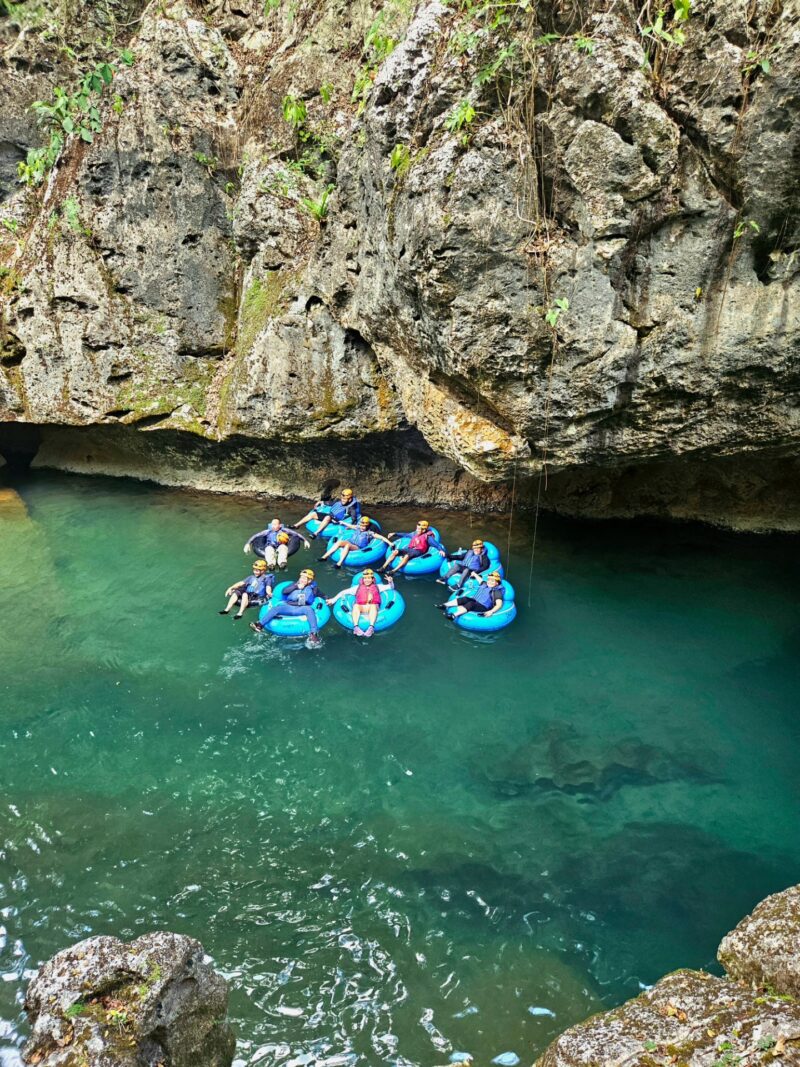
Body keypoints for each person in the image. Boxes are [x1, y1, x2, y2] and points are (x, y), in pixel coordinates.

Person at [250, 568, 325, 646]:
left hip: (302, 608)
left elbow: (320, 595)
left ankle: (313, 634)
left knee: (309, 610)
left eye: (304, 578)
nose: (301, 579)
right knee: (275, 609)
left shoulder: (313, 588)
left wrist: (327, 599)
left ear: (309, 581)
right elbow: (284, 591)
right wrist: (296, 586)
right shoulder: (294, 584)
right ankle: (259, 625)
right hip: (289, 606)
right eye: (301, 577)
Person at [326, 569, 394, 637]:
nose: (367, 580)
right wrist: (333, 600)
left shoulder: (378, 586)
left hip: (373, 607)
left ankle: (371, 627)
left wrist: (390, 582)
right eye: (365, 578)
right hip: (362, 607)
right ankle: (356, 627)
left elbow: (391, 587)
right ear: (362, 579)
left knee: (373, 606)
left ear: (372, 579)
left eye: (369, 578)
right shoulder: (357, 588)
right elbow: (343, 592)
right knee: (356, 606)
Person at [317, 515, 392, 568]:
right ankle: (324, 557)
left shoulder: (370, 533)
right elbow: (350, 526)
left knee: (347, 545)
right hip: (350, 542)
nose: (362, 527)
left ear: (367, 526)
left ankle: (339, 563)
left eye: (364, 526)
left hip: (357, 547)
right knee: (339, 542)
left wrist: (390, 543)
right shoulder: (357, 528)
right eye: (361, 525)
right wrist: (343, 522)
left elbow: (381, 537)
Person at [378, 519, 445, 574]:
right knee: (395, 551)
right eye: (417, 528)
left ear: (424, 530)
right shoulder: (414, 534)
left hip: (419, 551)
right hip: (410, 549)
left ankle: (393, 571)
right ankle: (383, 567)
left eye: (419, 529)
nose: (417, 530)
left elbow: (436, 544)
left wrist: (441, 550)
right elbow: (405, 535)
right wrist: (395, 534)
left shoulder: (428, 537)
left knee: (407, 556)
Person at [243, 517, 310, 570]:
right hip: (271, 545)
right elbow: (256, 536)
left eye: (275, 524)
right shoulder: (267, 532)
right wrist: (248, 544)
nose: (274, 526)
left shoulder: (284, 531)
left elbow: (296, 534)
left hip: (281, 545)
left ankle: (282, 563)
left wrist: (305, 541)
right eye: (272, 524)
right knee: (268, 549)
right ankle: (271, 564)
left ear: (279, 525)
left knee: (283, 548)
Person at [438, 570, 505, 621]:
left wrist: (491, 611)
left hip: (484, 606)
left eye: (492, 581)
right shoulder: (485, 584)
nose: (490, 582)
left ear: (497, 583)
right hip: (476, 600)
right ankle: (445, 605)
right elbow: (480, 580)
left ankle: (453, 616)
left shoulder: (496, 591)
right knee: (464, 598)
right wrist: (474, 574)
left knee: (471, 604)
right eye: (489, 580)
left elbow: (499, 604)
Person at [294, 488, 361, 539]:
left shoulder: (351, 509)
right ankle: (296, 525)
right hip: (331, 515)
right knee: (313, 514)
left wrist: (349, 527)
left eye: (344, 499)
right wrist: (321, 502)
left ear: (349, 499)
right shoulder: (339, 501)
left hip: (336, 521)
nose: (342, 500)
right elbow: (330, 503)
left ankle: (315, 533)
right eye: (342, 498)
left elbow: (354, 520)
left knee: (327, 517)